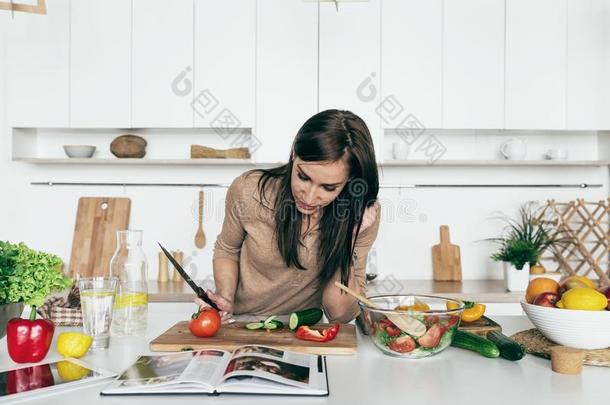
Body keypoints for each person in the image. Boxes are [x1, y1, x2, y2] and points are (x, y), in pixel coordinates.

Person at [197, 109, 381, 323]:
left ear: (349, 181)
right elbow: (227, 249)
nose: (310, 197)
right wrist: (225, 297)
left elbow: (339, 314)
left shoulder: (362, 215)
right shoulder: (249, 190)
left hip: (304, 328)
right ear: (294, 153)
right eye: (303, 177)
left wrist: (349, 238)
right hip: (241, 322)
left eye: (329, 187)